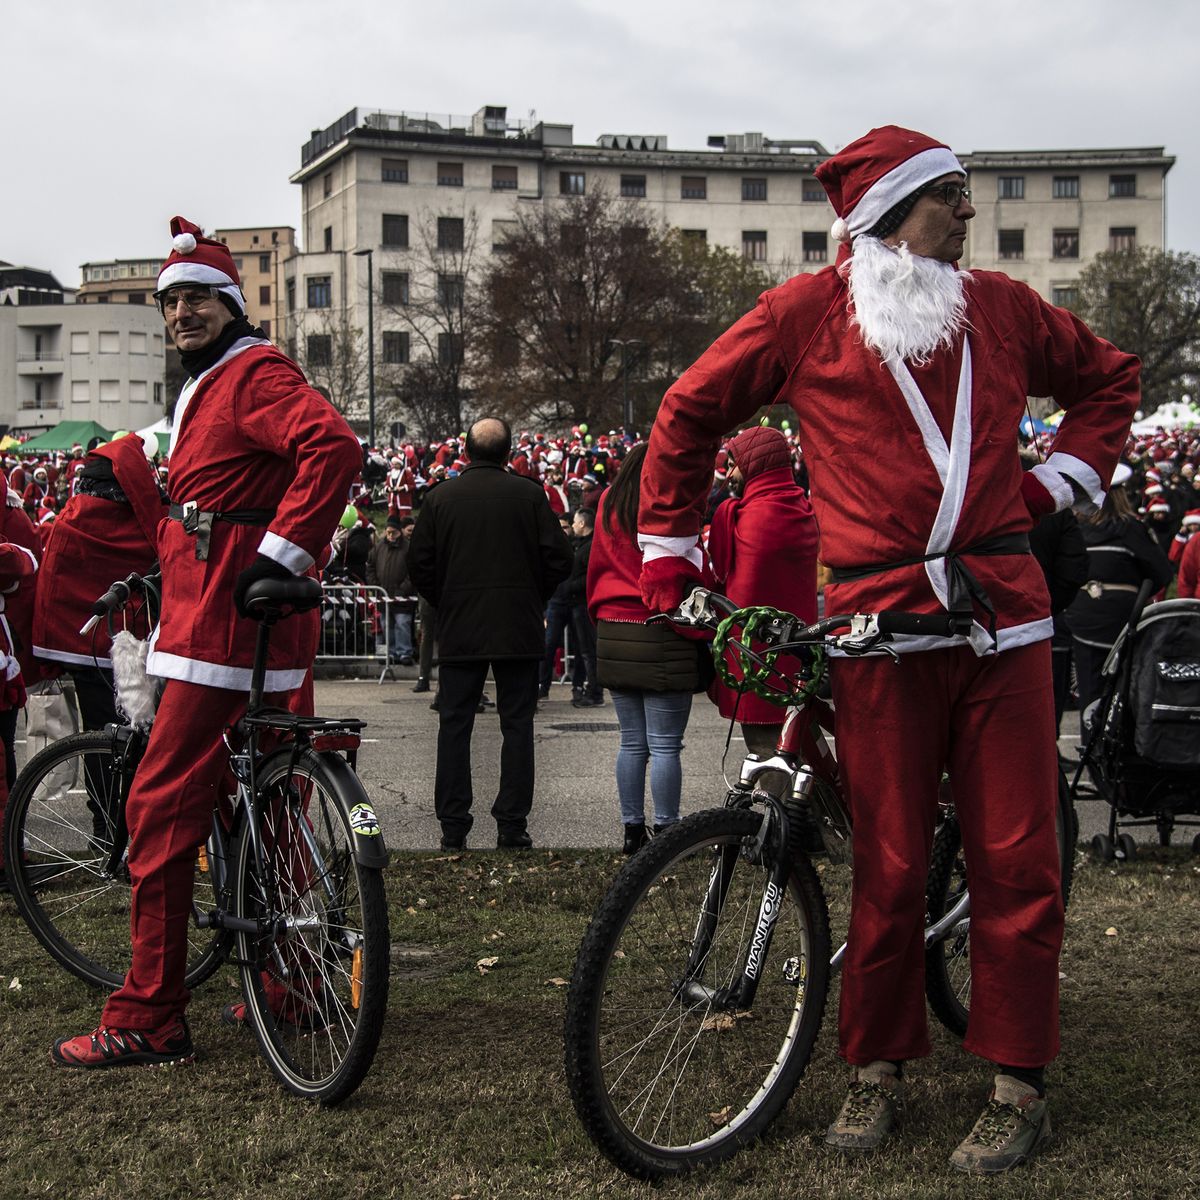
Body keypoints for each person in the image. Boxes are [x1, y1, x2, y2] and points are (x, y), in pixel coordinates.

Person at [635, 126, 1138, 1174]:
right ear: (885, 214)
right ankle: (875, 1070)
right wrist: (669, 551)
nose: (968, 210)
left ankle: (1015, 1083)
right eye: (949, 195)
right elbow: (686, 412)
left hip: (1004, 618)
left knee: (1017, 858)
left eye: (966, 193)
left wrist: (1057, 485)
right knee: (891, 864)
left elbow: (1110, 381)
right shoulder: (807, 314)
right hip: (875, 629)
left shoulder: (999, 305)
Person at [51, 216, 361, 1069]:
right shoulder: (212, 381)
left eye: (197, 298)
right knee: (270, 801)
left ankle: (149, 1012)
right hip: (231, 618)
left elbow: (331, 445)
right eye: (171, 300)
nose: (182, 312)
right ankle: (288, 975)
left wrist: (278, 557)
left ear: (231, 306)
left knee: (158, 806)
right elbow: (217, 500)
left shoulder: (249, 372)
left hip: (226, 629)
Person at [409, 417, 572, 851]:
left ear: (466, 451)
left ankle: (453, 825)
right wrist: (531, 596)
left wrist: (447, 598)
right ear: (506, 454)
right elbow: (559, 559)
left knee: (454, 725)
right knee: (516, 724)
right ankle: (512, 823)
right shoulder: (529, 496)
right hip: (516, 623)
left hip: (462, 623)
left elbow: (419, 564)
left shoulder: (441, 498)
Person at [586, 443, 707, 852]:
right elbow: (689, 565)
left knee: (632, 741)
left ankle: (631, 830)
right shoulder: (666, 505)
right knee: (666, 743)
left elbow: (595, 565)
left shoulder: (608, 501)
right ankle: (667, 831)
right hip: (659, 627)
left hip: (613, 625)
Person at [708, 425, 818, 776]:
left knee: (766, 752)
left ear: (754, 464)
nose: (731, 473)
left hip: (755, 652)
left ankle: (781, 826)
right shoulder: (802, 507)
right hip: (799, 649)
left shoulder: (745, 514)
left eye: (736, 464)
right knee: (802, 747)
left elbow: (720, 570)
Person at [1064, 464, 1174, 729]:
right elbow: (1162, 572)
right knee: (1126, 684)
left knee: (1090, 689)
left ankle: (1090, 747)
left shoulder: (1077, 529)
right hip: (1123, 619)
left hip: (1082, 618)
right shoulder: (1132, 529)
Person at [564, 506, 604, 708]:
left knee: (588, 650)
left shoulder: (589, 548)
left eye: (574, 522)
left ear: (582, 524)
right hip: (576, 603)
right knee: (583, 650)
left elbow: (590, 578)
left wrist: (569, 586)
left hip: (582, 604)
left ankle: (595, 691)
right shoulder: (579, 545)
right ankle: (587, 687)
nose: (571, 526)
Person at [366, 515, 416, 665]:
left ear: (399, 531)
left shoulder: (408, 548)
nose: (390, 536)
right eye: (388, 532)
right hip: (384, 596)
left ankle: (404, 652)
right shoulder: (379, 547)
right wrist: (376, 587)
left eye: (393, 532)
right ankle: (391, 652)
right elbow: (370, 567)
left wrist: (403, 590)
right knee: (387, 625)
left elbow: (413, 572)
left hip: (402, 596)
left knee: (402, 624)